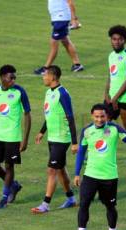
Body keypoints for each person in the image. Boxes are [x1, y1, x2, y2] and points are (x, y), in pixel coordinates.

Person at [70, 104, 126, 230]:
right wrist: (77, 174)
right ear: (92, 116)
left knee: (109, 206)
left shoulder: (115, 129)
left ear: (107, 116)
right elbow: (81, 153)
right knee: (84, 204)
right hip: (90, 175)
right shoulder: (87, 131)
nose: (99, 119)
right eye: (96, 116)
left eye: (102, 116)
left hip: (109, 177)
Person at [31, 65, 78, 214]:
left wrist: (75, 142)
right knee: (60, 169)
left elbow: (70, 117)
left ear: (53, 77)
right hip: (52, 137)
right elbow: (50, 114)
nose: (43, 78)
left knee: (52, 169)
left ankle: (45, 204)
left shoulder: (62, 94)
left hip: (61, 137)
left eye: (45, 75)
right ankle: (71, 199)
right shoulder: (48, 93)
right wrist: (42, 131)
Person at [0, 65, 31, 209]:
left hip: (13, 137)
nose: (13, 80)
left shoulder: (19, 92)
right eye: (10, 77)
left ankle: (5, 196)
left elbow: (27, 114)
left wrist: (25, 139)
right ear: (2, 77)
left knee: (9, 166)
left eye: (15, 77)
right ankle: (13, 185)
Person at [104, 25, 126, 163]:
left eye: (120, 39)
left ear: (125, 40)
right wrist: (106, 94)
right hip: (111, 98)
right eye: (114, 39)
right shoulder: (111, 56)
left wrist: (116, 98)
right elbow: (110, 75)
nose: (117, 42)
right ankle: (100, 150)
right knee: (102, 123)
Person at [34, 0, 84, 75]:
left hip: (61, 18)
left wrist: (74, 19)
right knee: (65, 41)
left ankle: (46, 68)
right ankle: (77, 65)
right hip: (57, 18)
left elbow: (70, 2)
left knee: (54, 42)